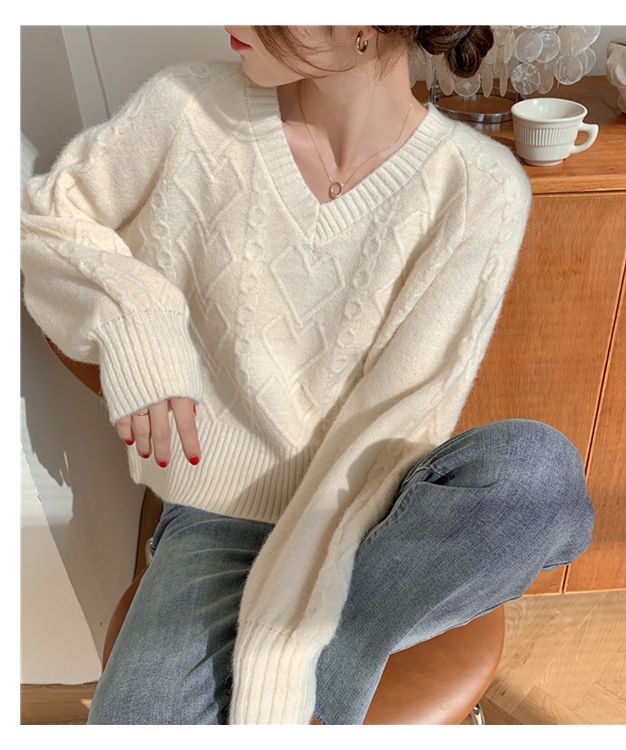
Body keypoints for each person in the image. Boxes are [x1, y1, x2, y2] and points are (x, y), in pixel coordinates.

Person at [20, 25, 595, 724]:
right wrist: (137, 317)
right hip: (218, 519)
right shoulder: (188, 107)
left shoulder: (478, 188)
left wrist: (287, 646)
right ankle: (324, 675)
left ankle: (314, 654)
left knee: (537, 474)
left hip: (377, 511)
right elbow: (42, 223)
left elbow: (401, 414)